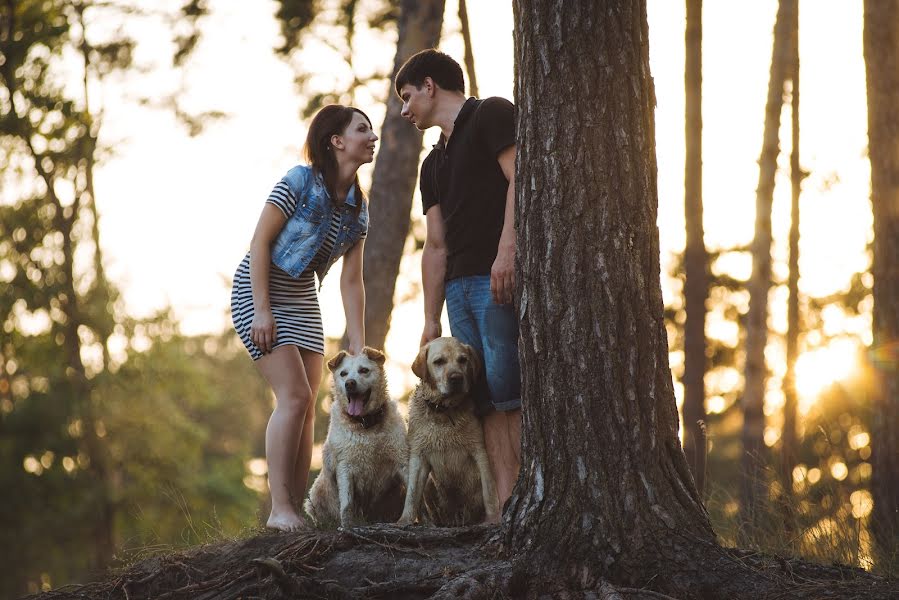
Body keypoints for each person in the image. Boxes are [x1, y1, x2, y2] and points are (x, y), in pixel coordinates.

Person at [230, 105, 378, 531]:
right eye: (362, 129)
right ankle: (279, 510)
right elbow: (259, 243)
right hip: (260, 289)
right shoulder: (299, 180)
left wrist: (356, 343)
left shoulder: (358, 208)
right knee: (292, 396)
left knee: (308, 405)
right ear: (336, 140)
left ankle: (295, 511)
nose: (372, 137)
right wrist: (261, 309)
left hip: (303, 299)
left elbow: (352, 282)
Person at [395, 49, 521, 515]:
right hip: (458, 288)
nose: (405, 110)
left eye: (407, 97)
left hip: (498, 278)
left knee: (510, 388)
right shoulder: (432, 164)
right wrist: (430, 318)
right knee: (480, 395)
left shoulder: (491, 113)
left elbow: (519, 179)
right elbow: (435, 245)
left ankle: (520, 498)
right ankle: (500, 509)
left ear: (430, 85)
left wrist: (507, 250)